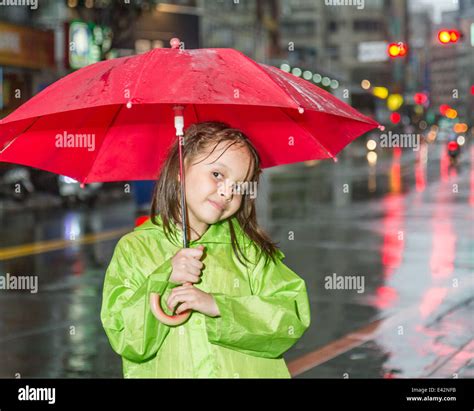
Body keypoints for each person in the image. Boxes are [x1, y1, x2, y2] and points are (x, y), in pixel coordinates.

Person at [100, 122, 311, 378]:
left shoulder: (248, 251)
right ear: (181, 168)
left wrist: (218, 306)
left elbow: (290, 317)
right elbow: (127, 338)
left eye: (239, 186)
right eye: (217, 175)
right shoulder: (135, 249)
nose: (226, 193)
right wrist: (164, 278)